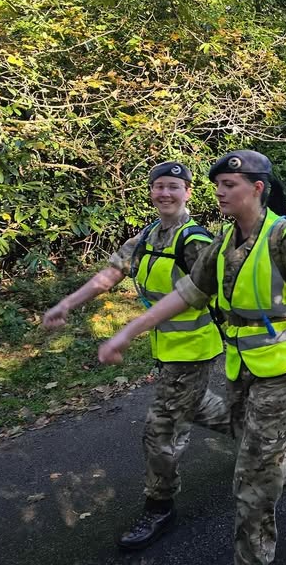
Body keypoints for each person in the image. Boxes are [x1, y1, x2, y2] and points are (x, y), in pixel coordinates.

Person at [97, 151, 286, 565]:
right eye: (217, 185)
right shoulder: (223, 243)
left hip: (284, 371)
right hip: (241, 368)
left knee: (251, 479)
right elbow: (186, 295)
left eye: (229, 185)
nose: (219, 192)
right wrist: (128, 331)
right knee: (260, 452)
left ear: (257, 188)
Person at [42, 161, 229, 550]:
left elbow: (218, 292)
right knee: (202, 410)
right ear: (151, 192)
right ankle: (266, 439)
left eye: (174, 187)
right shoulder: (146, 236)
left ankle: (159, 507)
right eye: (159, 186)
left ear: (188, 193)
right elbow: (109, 275)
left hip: (193, 351)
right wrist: (67, 303)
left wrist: (128, 332)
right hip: (167, 349)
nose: (165, 193)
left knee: (159, 433)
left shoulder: (195, 240)